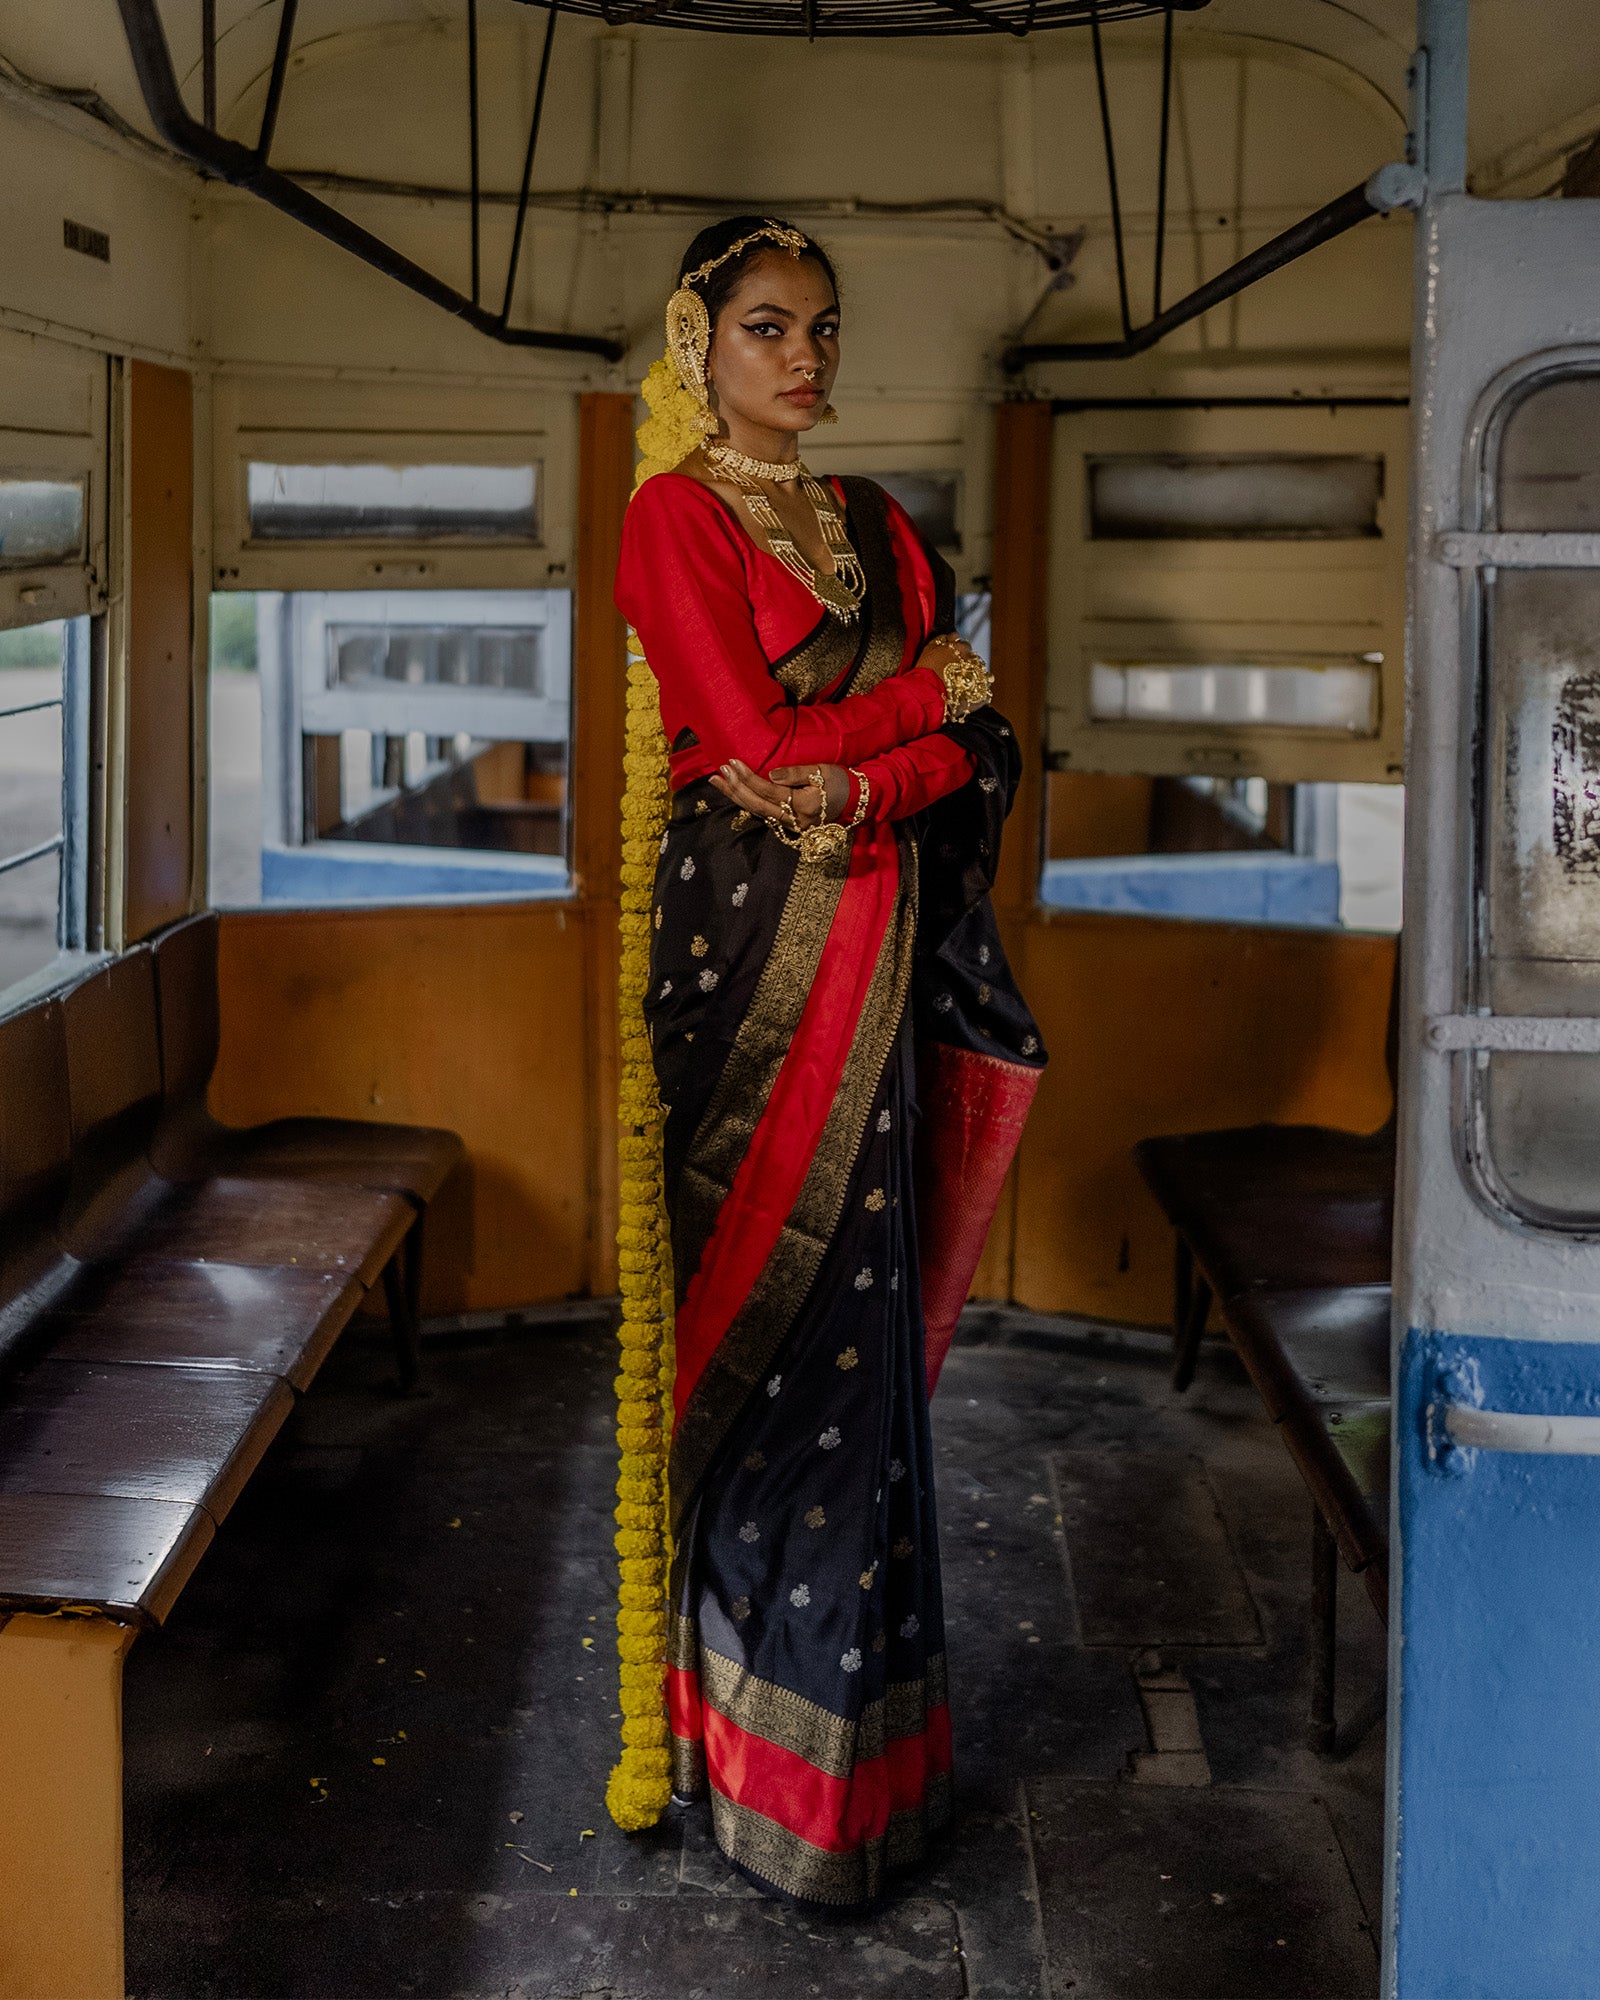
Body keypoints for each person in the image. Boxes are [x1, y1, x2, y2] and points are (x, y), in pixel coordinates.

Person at [612, 215, 1045, 1909]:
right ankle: (748, 1766)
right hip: (742, 968)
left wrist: (883, 777)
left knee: (858, 1349)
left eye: (823, 330)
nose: (805, 358)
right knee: (758, 1331)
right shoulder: (674, 519)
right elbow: (747, 738)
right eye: (769, 329)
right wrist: (907, 717)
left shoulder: (883, 527)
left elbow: (979, 731)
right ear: (699, 345)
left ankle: (863, 1775)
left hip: (878, 933)